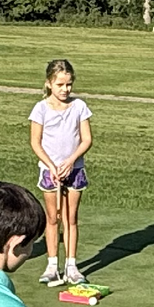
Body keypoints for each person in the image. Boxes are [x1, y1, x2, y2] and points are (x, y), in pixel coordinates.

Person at [28, 58, 93, 287]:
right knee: (53, 218)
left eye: (68, 85)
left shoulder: (79, 107)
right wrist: (51, 165)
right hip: (50, 171)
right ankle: (52, 265)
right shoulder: (40, 108)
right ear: (49, 84)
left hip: (73, 170)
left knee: (70, 218)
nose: (65, 89)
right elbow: (35, 142)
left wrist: (70, 161)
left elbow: (86, 140)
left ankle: (72, 266)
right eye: (60, 85)